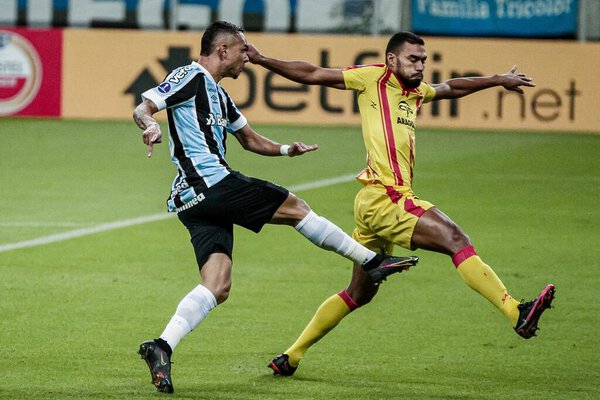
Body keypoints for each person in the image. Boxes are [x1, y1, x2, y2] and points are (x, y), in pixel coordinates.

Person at [246, 31, 556, 376]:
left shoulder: (415, 93)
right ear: (392, 60)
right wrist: (261, 60)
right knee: (457, 240)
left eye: (423, 59)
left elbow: (452, 87)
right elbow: (313, 74)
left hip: (372, 203)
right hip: (385, 196)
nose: (421, 65)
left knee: (359, 293)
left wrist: (498, 80)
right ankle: (517, 312)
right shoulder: (372, 78)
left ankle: (291, 355)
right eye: (413, 59)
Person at [132, 21, 418, 394]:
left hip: (194, 201)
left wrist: (286, 149)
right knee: (296, 207)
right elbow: (145, 106)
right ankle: (371, 260)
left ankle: (161, 346)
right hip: (211, 182)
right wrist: (150, 125)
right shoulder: (191, 76)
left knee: (217, 286)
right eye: (243, 50)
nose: (247, 57)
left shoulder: (219, 95)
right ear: (222, 51)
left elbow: (249, 139)